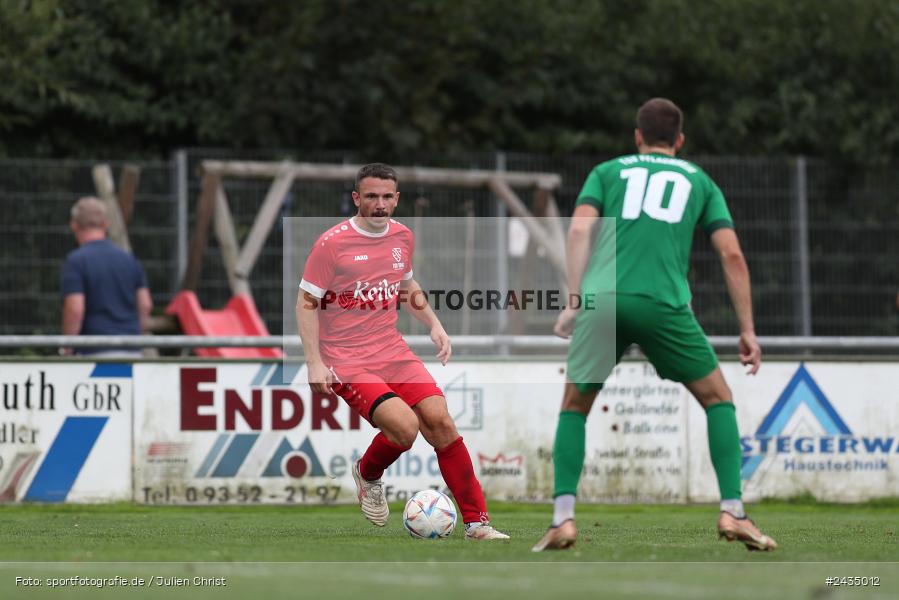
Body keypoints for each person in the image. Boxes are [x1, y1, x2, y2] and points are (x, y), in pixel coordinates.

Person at [532, 98, 777, 552]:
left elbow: (579, 232)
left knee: (575, 406)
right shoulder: (700, 181)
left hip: (603, 301)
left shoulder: (608, 172)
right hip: (663, 303)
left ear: (637, 137)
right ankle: (733, 511)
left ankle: (563, 519)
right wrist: (747, 329)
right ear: (680, 140)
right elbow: (732, 255)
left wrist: (574, 299)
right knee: (718, 398)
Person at [296, 163, 509, 540]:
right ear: (356, 198)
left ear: (397, 199)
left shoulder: (402, 236)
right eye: (371, 196)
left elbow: (406, 285)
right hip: (345, 357)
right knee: (405, 429)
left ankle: (477, 524)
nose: (379, 204)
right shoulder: (332, 243)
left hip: (391, 349)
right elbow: (306, 302)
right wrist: (314, 362)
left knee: (441, 422)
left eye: (386, 197)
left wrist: (434, 324)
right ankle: (368, 473)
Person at [61, 196, 152, 356]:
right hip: (131, 350)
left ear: (74, 225)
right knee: (124, 382)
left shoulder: (76, 261)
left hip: (94, 351)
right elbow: (145, 305)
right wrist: (135, 333)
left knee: (106, 382)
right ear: (105, 224)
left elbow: (75, 310)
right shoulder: (129, 259)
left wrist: (68, 347)